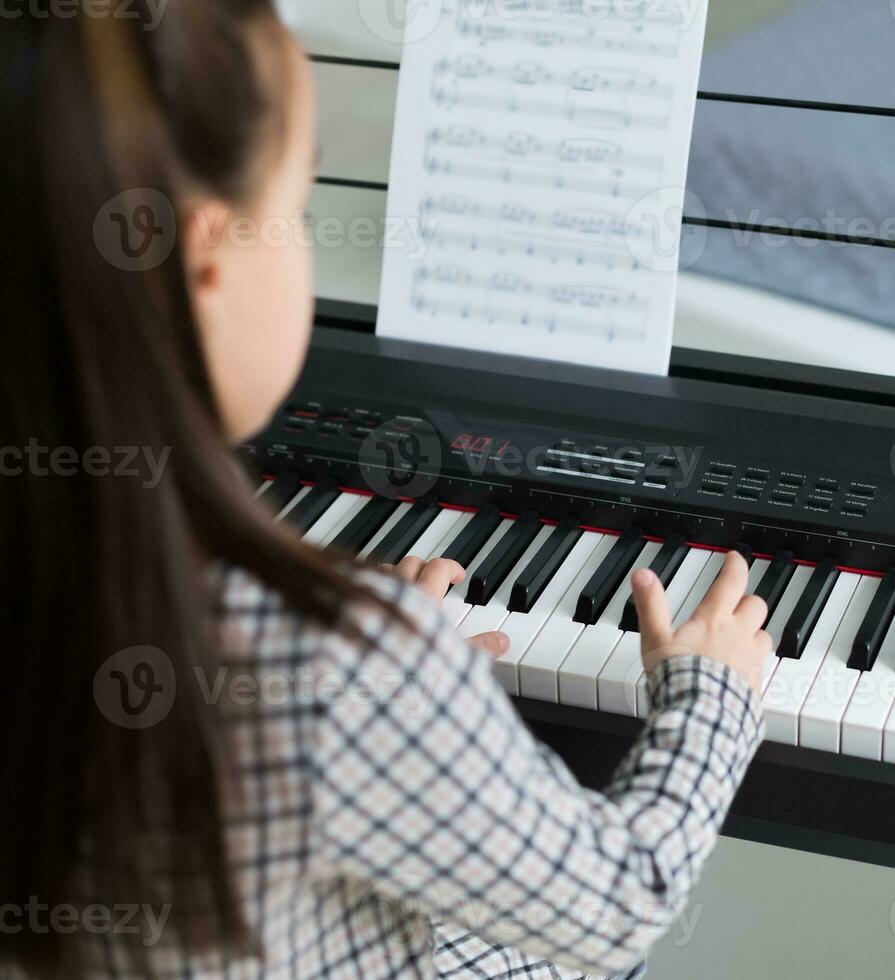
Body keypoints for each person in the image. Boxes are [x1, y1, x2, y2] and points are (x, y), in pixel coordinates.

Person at [0, 2, 770, 976]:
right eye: (299, 199)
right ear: (205, 259)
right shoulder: (333, 664)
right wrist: (713, 692)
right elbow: (626, 896)